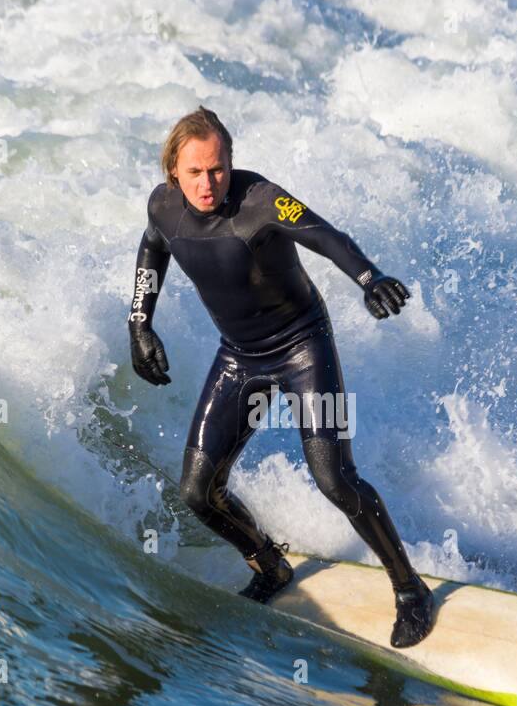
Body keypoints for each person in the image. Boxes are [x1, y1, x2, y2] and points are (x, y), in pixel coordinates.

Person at [128, 106, 437, 649]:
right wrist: (139, 322)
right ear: (173, 170)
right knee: (198, 492)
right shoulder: (162, 206)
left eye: (218, 169)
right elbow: (153, 245)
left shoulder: (262, 200)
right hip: (239, 359)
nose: (209, 183)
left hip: (303, 348)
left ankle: (410, 590)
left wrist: (369, 277)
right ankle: (268, 564)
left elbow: (325, 235)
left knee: (335, 479)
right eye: (196, 172)